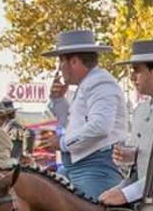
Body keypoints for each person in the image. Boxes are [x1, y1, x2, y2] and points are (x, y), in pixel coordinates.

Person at [39, 29, 128, 199]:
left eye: (61, 62)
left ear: (74, 61)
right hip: (81, 166)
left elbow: (101, 126)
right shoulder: (90, 84)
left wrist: (63, 143)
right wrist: (57, 99)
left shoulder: (99, 83)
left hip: (95, 168)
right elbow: (73, 124)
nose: (59, 69)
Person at [100, 39, 153, 207]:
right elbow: (137, 170)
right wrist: (129, 161)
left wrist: (126, 194)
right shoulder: (141, 110)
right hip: (141, 200)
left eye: (137, 70)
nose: (132, 77)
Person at [0, 99, 35, 164]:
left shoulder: (14, 127)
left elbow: (29, 133)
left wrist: (26, 154)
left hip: (13, 164)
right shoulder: (5, 128)